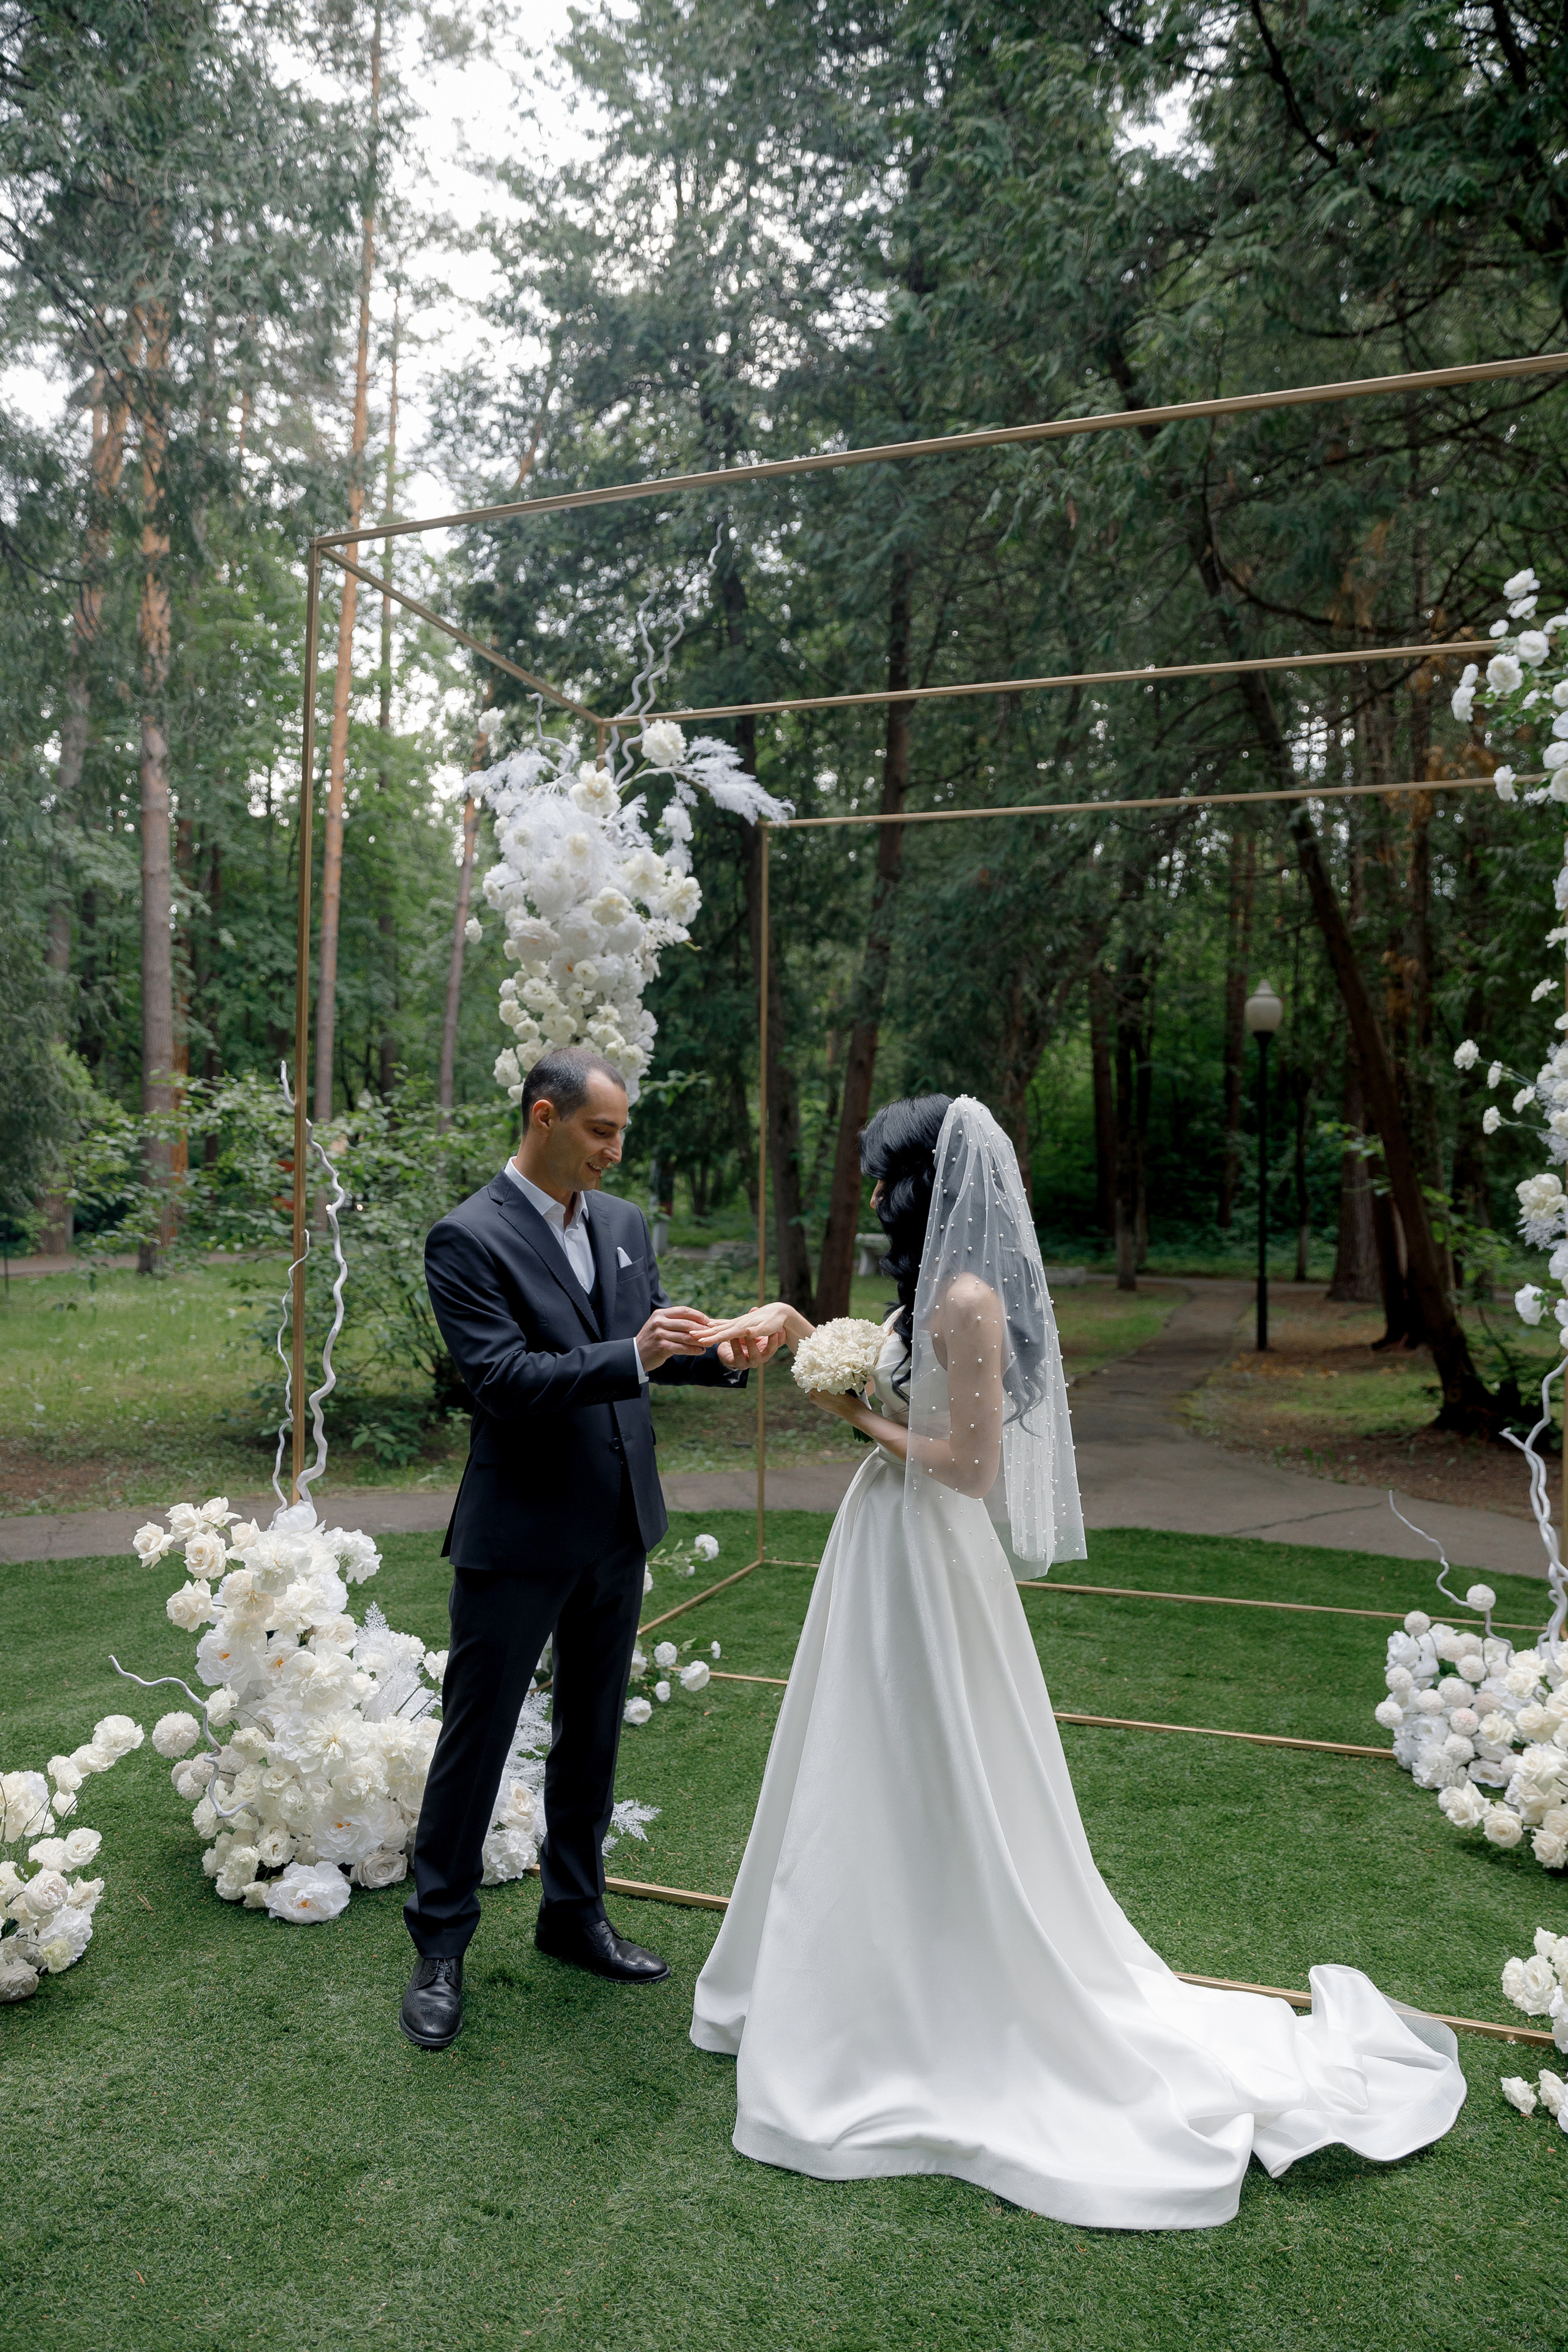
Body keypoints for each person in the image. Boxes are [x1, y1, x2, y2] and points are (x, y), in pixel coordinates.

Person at [688, 1093, 1466, 2229]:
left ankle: (939, 1990)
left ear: (921, 1184)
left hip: (929, 1542)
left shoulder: (966, 1299)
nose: (871, 1198)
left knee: (934, 1753)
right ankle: (849, 1975)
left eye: (879, 1179)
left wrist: (857, 1419)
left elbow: (966, 1468)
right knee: (863, 1753)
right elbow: (889, 1375)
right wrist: (804, 1329)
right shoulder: (927, 1292)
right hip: (880, 1545)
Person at [399, 1046, 780, 2051]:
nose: (615, 1153)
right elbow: (504, 1381)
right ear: (543, 1118)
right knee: (475, 1742)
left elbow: (638, 1348)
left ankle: (573, 1915)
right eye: (601, 1132)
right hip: (519, 1531)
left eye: (620, 1134)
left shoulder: (620, 1225)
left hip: (618, 1520)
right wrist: (636, 1354)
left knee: (593, 1735)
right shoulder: (466, 1238)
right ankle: (439, 1946)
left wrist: (717, 1357)